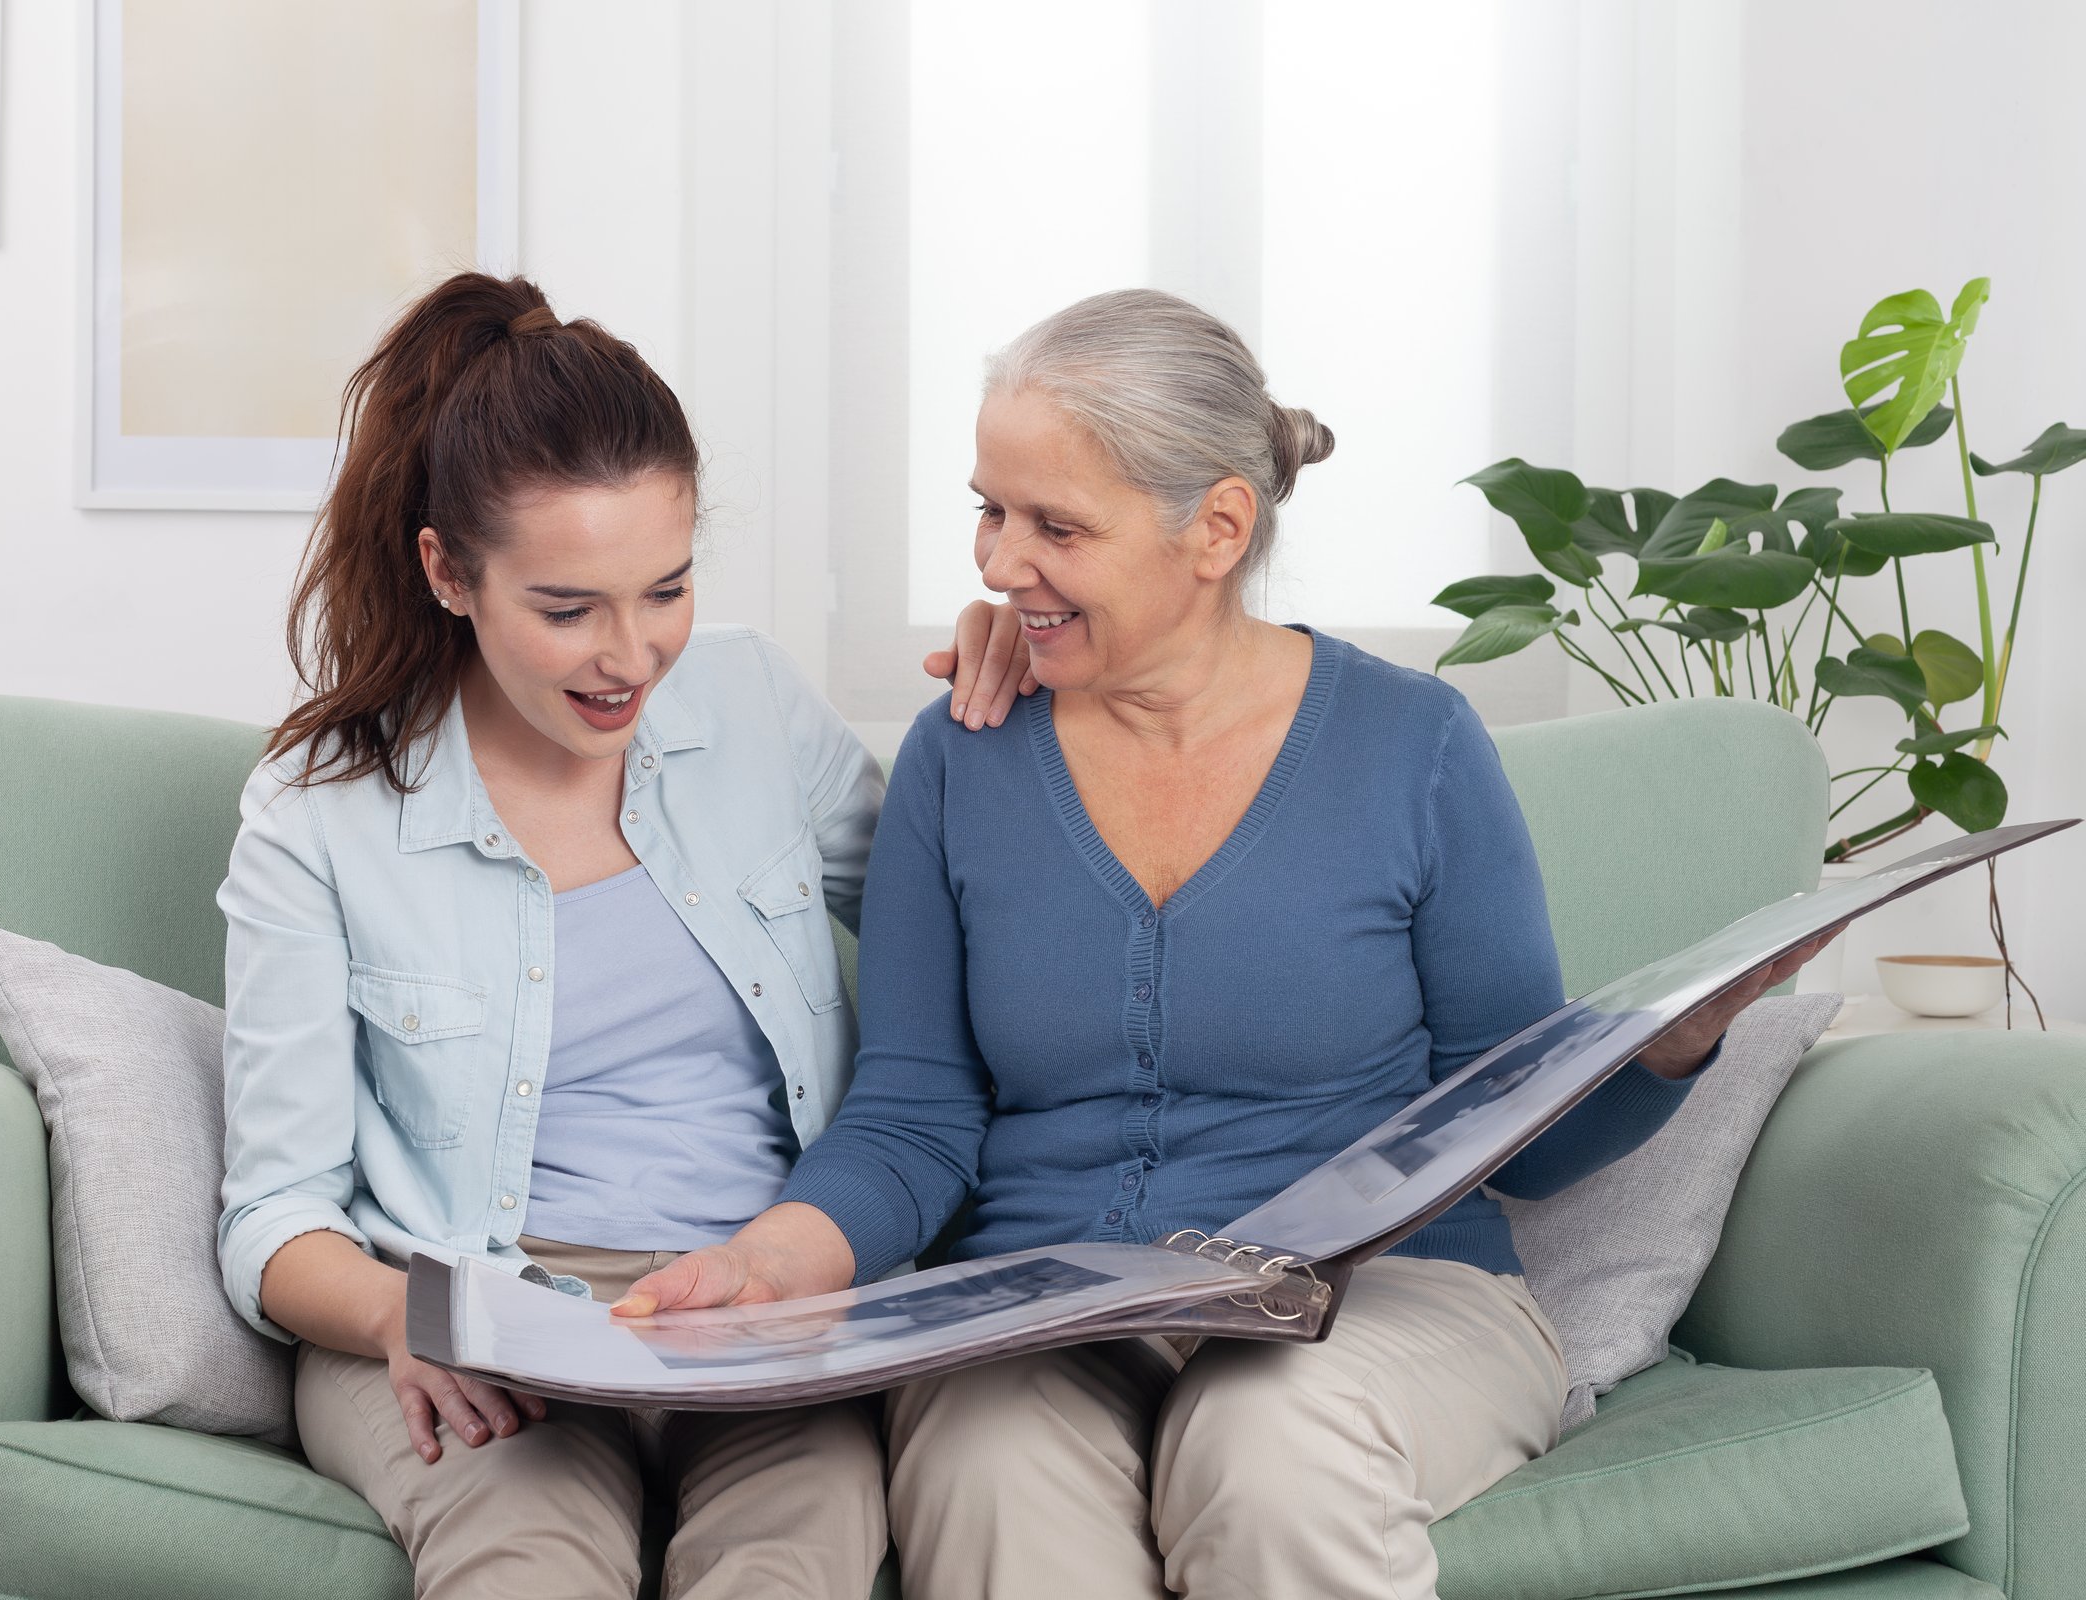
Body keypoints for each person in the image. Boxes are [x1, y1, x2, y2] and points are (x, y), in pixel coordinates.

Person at [616, 288, 1828, 1600]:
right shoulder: (962, 759)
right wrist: (765, 1261)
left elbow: (1510, 1124)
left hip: (1386, 1306)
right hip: (1046, 1310)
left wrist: (1671, 1051)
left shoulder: (1412, 748)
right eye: (989, 509)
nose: (997, 561)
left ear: (1218, 529)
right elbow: (914, 1117)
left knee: (1266, 1442)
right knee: (982, 1455)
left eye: (1054, 525)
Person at [213, 271, 1026, 1599]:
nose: (630, 657)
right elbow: (276, 1213)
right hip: (479, 1323)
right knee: (524, 1566)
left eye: (667, 589)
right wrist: (408, 1322)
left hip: (754, 1318)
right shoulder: (323, 819)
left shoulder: (753, 707)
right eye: (567, 608)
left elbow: (982, 928)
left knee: (793, 1558)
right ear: (448, 573)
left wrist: (1034, 687)